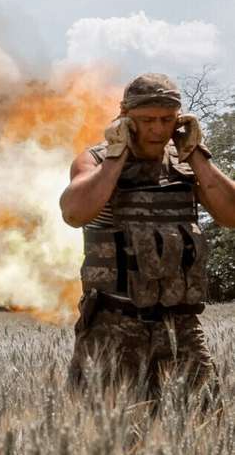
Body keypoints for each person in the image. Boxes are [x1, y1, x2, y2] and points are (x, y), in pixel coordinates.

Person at [60, 73, 235, 400]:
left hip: (181, 327)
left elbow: (231, 215)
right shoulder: (97, 160)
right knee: (107, 435)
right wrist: (116, 156)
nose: (157, 128)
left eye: (166, 119)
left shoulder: (187, 164)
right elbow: (74, 213)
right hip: (114, 323)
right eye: (146, 120)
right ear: (125, 116)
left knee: (202, 429)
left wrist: (196, 153)